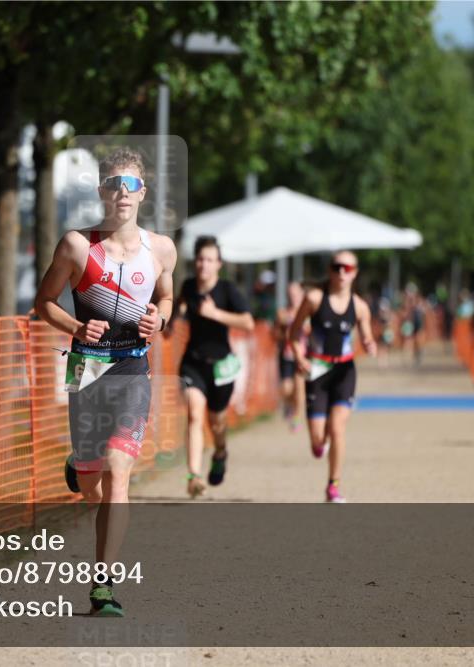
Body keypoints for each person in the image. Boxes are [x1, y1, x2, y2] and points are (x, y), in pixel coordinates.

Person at [34, 147, 176, 616]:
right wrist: (75, 328)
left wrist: (160, 318)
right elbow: (44, 302)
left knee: (119, 474)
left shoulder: (162, 249)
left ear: (143, 193)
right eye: (113, 184)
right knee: (92, 485)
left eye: (130, 184)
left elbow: (168, 295)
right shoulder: (77, 245)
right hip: (86, 368)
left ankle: (103, 586)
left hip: (134, 367)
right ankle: (78, 463)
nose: (122, 193)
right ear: (101, 191)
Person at [166, 236, 254, 497]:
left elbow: (248, 322)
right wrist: (170, 323)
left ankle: (220, 451)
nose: (204, 265)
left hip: (221, 366)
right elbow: (181, 305)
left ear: (219, 264)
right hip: (193, 363)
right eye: (201, 259)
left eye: (210, 260)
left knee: (217, 421)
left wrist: (215, 314)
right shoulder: (189, 286)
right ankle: (193, 476)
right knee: (194, 414)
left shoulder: (227, 290)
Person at [288, 251, 376, 503]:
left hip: (344, 371)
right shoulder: (314, 299)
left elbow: (367, 334)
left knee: (337, 428)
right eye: (337, 267)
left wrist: (370, 344)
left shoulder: (359, 306)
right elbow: (294, 333)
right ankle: (319, 443)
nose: (342, 273)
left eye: (347, 268)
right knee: (318, 440)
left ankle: (333, 486)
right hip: (317, 370)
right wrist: (299, 356)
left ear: (355, 273)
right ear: (330, 270)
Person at [275, 281, 307, 431]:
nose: (292, 297)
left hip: (303, 355)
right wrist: (282, 330)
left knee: (299, 387)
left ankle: (296, 418)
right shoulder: (282, 313)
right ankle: (288, 404)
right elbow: (276, 333)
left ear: (302, 294)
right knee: (287, 388)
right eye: (290, 294)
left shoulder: (308, 313)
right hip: (287, 355)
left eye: (295, 294)